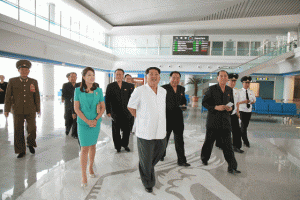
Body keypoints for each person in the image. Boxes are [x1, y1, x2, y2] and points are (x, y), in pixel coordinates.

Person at [128, 67, 167, 193]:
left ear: (159, 77)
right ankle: (148, 183)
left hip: (160, 129)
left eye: (156, 74)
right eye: (151, 74)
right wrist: (142, 117)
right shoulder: (139, 90)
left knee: (160, 151)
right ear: (146, 76)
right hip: (145, 130)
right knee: (146, 157)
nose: (154, 76)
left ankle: (146, 166)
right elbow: (131, 107)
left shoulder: (163, 91)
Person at [200, 70, 241, 174]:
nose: (223, 78)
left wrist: (230, 108)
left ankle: (232, 166)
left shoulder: (229, 90)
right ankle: (204, 158)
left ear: (227, 78)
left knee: (228, 145)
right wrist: (215, 107)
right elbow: (204, 102)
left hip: (225, 121)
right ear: (217, 78)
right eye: (221, 76)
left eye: (225, 76)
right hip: (213, 121)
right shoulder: (212, 89)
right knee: (209, 142)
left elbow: (232, 103)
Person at [74, 67, 105, 187]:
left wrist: (96, 119)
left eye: (93, 75)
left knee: (93, 145)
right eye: (89, 75)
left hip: (95, 123)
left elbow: (103, 107)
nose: (92, 77)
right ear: (83, 77)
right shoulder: (77, 91)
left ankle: (91, 167)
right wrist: (87, 121)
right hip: (83, 123)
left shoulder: (98, 90)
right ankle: (83, 175)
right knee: (84, 148)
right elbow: (77, 109)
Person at [4, 60, 40, 158]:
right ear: (18, 70)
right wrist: (6, 109)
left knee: (32, 128)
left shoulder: (33, 81)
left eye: (26, 70)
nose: (24, 71)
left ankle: (31, 143)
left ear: (29, 71)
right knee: (18, 130)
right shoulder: (12, 81)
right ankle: (20, 150)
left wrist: (38, 108)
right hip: (17, 110)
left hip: (31, 109)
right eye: (22, 69)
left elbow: (36, 96)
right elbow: (7, 96)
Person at [160, 71, 190, 166]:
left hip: (178, 118)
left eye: (178, 78)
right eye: (174, 77)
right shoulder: (163, 88)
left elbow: (183, 100)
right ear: (170, 78)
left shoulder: (181, 88)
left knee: (179, 140)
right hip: (166, 118)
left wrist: (184, 105)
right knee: (164, 139)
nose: (175, 80)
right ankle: (161, 155)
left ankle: (182, 160)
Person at [105, 69, 134, 153]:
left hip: (127, 112)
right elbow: (107, 99)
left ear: (123, 76)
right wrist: (108, 111)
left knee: (127, 130)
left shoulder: (128, 85)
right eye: (117, 74)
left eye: (120, 74)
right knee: (116, 131)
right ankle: (117, 146)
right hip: (115, 112)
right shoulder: (110, 86)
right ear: (115, 75)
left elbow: (132, 99)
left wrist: (132, 110)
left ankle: (125, 144)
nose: (118, 76)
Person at [227, 73, 244, 153]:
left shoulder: (236, 91)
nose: (233, 83)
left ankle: (236, 146)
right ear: (228, 81)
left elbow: (237, 103)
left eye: (234, 81)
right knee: (225, 131)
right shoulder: (223, 90)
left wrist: (238, 112)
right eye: (231, 81)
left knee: (237, 131)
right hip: (225, 114)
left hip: (233, 114)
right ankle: (222, 145)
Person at [238, 76, 256, 148]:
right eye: (246, 82)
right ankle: (245, 141)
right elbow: (236, 102)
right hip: (241, 111)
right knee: (243, 127)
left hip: (248, 111)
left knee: (245, 126)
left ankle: (240, 139)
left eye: (248, 83)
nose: (247, 84)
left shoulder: (251, 92)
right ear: (242, 83)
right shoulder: (239, 92)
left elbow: (254, 100)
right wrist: (243, 102)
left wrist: (252, 102)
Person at [61, 72, 78, 138]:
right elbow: (65, 94)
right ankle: (67, 129)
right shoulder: (65, 85)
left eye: (74, 76)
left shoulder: (78, 85)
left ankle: (74, 133)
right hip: (68, 104)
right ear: (68, 78)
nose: (73, 78)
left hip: (76, 104)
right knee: (68, 117)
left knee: (75, 118)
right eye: (71, 76)